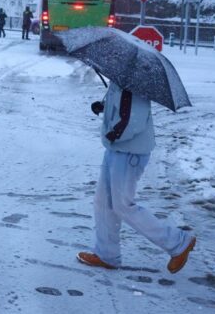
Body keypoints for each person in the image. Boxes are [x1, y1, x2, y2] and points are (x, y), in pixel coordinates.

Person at [77, 81, 196, 273]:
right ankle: (107, 255)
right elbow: (120, 108)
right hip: (116, 149)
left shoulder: (135, 84)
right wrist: (104, 107)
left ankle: (178, 242)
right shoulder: (120, 80)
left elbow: (134, 119)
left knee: (123, 205)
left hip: (129, 152)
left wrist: (113, 133)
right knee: (103, 202)